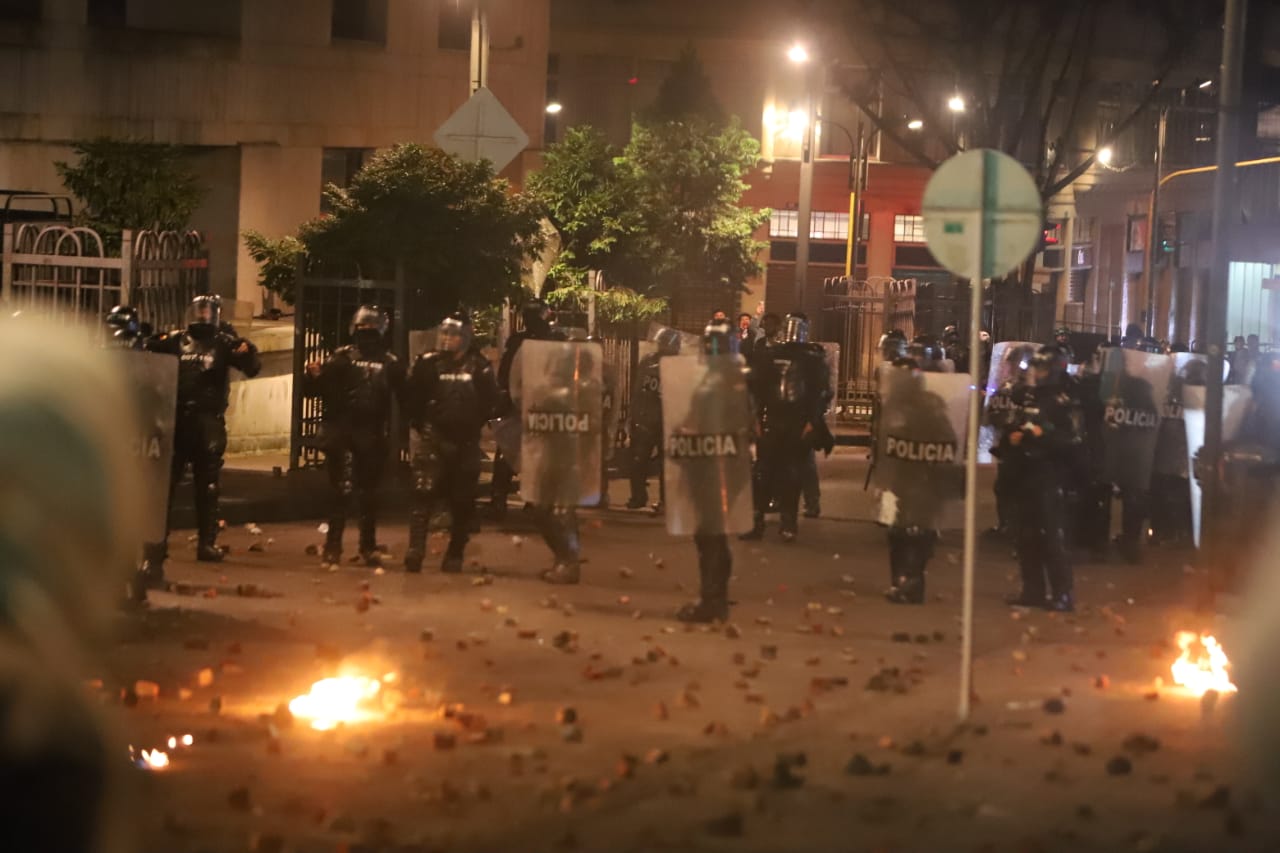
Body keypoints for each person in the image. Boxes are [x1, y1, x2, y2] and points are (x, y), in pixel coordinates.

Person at [142, 295, 260, 586]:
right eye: (200, 310)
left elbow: (251, 365)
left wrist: (247, 351)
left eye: (209, 310)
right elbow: (146, 351)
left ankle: (207, 543)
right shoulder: (177, 340)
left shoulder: (223, 342)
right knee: (165, 487)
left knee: (208, 485)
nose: (204, 315)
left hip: (208, 421)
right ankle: (156, 547)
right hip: (178, 419)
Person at [303, 305, 404, 567]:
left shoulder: (390, 363)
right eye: (363, 329)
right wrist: (314, 375)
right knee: (342, 490)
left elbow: (405, 395)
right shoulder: (343, 357)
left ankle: (367, 545)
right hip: (344, 430)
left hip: (371, 432)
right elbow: (318, 389)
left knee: (368, 493)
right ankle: (333, 545)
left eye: (371, 329)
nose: (367, 334)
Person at [402, 311, 498, 573]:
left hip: (465, 442)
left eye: (453, 334)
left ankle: (455, 552)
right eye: (444, 333)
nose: (447, 338)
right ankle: (415, 550)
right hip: (433, 437)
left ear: (465, 337)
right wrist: (422, 426)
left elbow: (491, 402)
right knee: (423, 492)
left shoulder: (480, 367)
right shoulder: (427, 364)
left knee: (462, 500)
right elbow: (412, 398)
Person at [672, 320, 753, 623]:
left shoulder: (722, 384)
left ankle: (713, 601)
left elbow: (713, 425)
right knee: (712, 534)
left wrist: (687, 433)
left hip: (716, 466)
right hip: (717, 464)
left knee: (710, 534)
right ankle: (714, 598)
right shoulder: (729, 381)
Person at [999, 345, 1082, 611]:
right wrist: (1012, 436)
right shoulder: (1028, 397)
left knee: (1051, 536)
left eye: (1041, 368)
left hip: (1049, 474)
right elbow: (1015, 423)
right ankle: (1032, 589)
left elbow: (1073, 441)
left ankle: (1062, 593)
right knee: (1026, 535)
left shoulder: (1063, 403)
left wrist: (1042, 436)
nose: (1036, 373)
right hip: (1025, 472)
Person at [516, 339, 603, 584]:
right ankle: (564, 558)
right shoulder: (551, 390)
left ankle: (569, 562)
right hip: (550, 455)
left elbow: (593, 425)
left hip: (571, 458)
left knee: (562, 513)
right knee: (541, 509)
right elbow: (533, 418)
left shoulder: (585, 390)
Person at [878, 353, 962, 604]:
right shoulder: (892, 404)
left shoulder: (929, 405)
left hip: (924, 479)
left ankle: (913, 583)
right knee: (896, 531)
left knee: (917, 531)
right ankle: (900, 580)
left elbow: (947, 440)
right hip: (900, 478)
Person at [741, 312, 829, 542]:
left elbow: (819, 393)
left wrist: (812, 421)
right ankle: (756, 520)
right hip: (772, 420)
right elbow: (758, 389)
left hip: (796, 422)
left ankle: (787, 522)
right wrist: (756, 418)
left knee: (792, 474)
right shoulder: (770, 355)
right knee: (762, 473)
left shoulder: (811, 359)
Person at [490, 299, 562, 519]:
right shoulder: (550, 339)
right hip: (530, 404)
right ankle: (519, 499)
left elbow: (504, 374)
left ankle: (502, 497)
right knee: (524, 452)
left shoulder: (524, 340)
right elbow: (507, 373)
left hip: (530, 403)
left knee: (512, 450)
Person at [984, 343, 1035, 539]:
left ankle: (1017, 528)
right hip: (1007, 445)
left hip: (1026, 446)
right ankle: (1007, 525)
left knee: (1018, 488)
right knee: (1004, 486)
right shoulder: (1006, 389)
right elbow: (993, 415)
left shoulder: (1033, 391)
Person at [627, 327, 680, 509]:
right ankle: (638, 496)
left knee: (667, 465)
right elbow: (637, 390)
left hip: (668, 422)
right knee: (638, 460)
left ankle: (666, 500)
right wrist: (633, 415)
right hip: (647, 420)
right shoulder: (647, 362)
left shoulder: (679, 366)